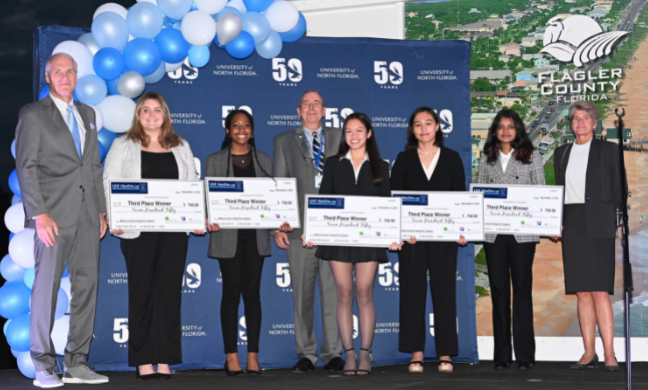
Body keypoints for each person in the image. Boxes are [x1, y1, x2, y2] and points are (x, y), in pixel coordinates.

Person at [15, 53, 109, 388]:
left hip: (87, 215)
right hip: (52, 216)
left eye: (70, 71)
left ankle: (77, 363)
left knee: (87, 289)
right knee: (46, 289)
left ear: (76, 75)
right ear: (48, 75)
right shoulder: (33, 114)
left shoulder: (87, 114)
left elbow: (93, 167)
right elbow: (26, 167)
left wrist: (100, 211)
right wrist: (38, 213)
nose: (65, 77)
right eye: (58, 71)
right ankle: (43, 365)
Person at [103, 92, 205, 380]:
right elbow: (109, 181)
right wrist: (116, 216)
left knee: (169, 294)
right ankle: (143, 360)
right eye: (145, 110)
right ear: (138, 115)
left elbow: (191, 185)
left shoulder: (180, 145)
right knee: (141, 293)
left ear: (165, 115)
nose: (151, 115)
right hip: (137, 231)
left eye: (156, 110)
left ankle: (165, 359)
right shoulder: (123, 144)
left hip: (174, 232)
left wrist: (196, 217)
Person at [311, 112, 402, 375]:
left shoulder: (382, 166)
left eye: (359, 131)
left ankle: (365, 353)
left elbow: (387, 205)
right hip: (338, 239)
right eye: (349, 131)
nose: (353, 136)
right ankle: (348, 354)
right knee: (343, 294)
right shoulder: (332, 163)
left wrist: (392, 234)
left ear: (369, 134)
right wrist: (315, 230)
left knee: (364, 294)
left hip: (369, 241)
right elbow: (323, 200)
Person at [205, 110, 283, 377]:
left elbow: (271, 200)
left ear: (252, 130)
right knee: (230, 295)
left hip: (256, 238)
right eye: (235, 125)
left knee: (252, 296)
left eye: (246, 125)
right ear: (227, 130)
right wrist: (209, 218)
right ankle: (231, 356)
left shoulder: (263, 159)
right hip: (228, 238)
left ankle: (253, 356)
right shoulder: (215, 161)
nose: (241, 129)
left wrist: (278, 223)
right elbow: (208, 199)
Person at [390, 107, 467, 374]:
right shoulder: (403, 159)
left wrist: (461, 228)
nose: (424, 128)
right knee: (412, 293)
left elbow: (460, 198)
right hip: (412, 240)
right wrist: (399, 231)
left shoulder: (452, 158)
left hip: (444, 239)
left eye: (428, 123)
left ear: (437, 127)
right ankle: (417, 352)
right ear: (412, 129)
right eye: (418, 124)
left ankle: (445, 352)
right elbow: (394, 201)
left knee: (445, 292)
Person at [272, 90, 345, 372]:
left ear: (324, 110)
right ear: (298, 111)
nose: (311, 108)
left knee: (333, 293)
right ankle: (306, 353)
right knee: (301, 294)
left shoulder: (342, 137)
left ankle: (333, 353)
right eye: (306, 104)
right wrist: (278, 225)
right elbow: (279, 182)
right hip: (298, 230)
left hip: (334, 229)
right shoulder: (283, 140)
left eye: (316, 103)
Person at [552, 100, 622, 372]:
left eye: (585, 118)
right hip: (572, 222)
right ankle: (588, 353)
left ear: (595, 123)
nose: (579, 122)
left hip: (599, 224)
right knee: (582, 291)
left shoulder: (608, 150)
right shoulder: (561, 153)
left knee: (600, 291)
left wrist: (614, 220)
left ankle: (610, 354)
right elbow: (557, 192)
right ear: (571, 125)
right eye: (575, 118)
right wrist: (555, 222)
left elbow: (619, 187)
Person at [475, 108, 545, 371]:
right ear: (495, 130)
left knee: (523, 291)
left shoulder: (532, 156)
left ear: (518, 130)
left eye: (511, 126)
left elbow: (541, 192)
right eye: (501, 126)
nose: (506, 130)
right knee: (499, 292)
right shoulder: (486, 159)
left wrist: (548, 221)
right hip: (493, 234)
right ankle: (502, 355)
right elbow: (479, 197)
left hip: (523, 234)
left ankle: (525, 355)